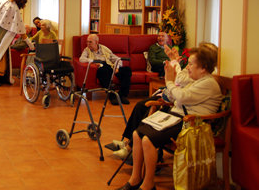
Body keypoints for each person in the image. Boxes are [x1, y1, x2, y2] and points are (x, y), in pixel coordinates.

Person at [116, 44, 222, 190]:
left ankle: (148, 184)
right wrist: (171, 87)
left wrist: (170, 81)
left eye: (191, 64)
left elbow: (182, 97)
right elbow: (176, 96)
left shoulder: (208, 83)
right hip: (177, 116)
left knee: (147, 140)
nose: (188, 67)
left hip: (190, 124)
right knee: (136, 134)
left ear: (203, 67)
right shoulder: (197, 80)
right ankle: (135, 178)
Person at [79, 34, 132, 105]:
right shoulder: (87, 50)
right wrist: (94, 61)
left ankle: (122, 95)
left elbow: (117, 59)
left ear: (96, 42)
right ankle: (112, 97)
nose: (88, 44)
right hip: (101, 68)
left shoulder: (104, 49)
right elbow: (81, 59)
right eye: (87, 42)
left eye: (90, 42)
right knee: (103, 71)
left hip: (111, 66)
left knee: (127, 70)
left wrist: (117, 68)